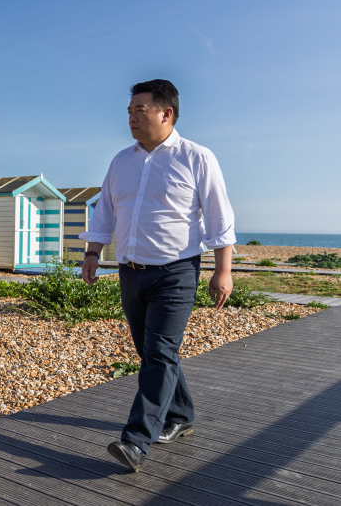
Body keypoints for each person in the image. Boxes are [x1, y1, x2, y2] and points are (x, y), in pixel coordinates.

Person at [80, 79, 235, 472]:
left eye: (140, 111)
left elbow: (219, 217)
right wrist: (92, 253)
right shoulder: (121, 161)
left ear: (167, 113)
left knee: (160, 352)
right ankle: (180, 416)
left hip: (177, 272)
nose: (131, 117)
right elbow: (105, 213)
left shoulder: (197, 157)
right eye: (129, 112)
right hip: (130, 274)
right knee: (152, 353)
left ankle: (136, 441)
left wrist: (223, 270)